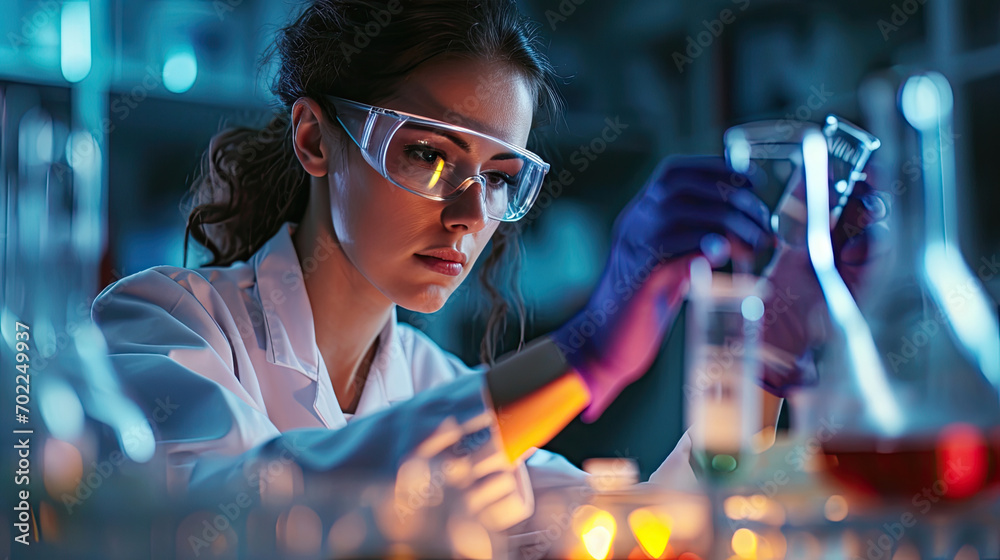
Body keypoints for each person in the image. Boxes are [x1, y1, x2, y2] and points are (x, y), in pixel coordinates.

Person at [91, 0, 883, 542]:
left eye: (502, 177)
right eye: (430, 155)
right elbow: (226, 522)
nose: (472, 216)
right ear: (313, 140)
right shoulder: (160, 325)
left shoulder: (438, 386)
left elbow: (654, 535)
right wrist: (585, 352)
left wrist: (766, 358)